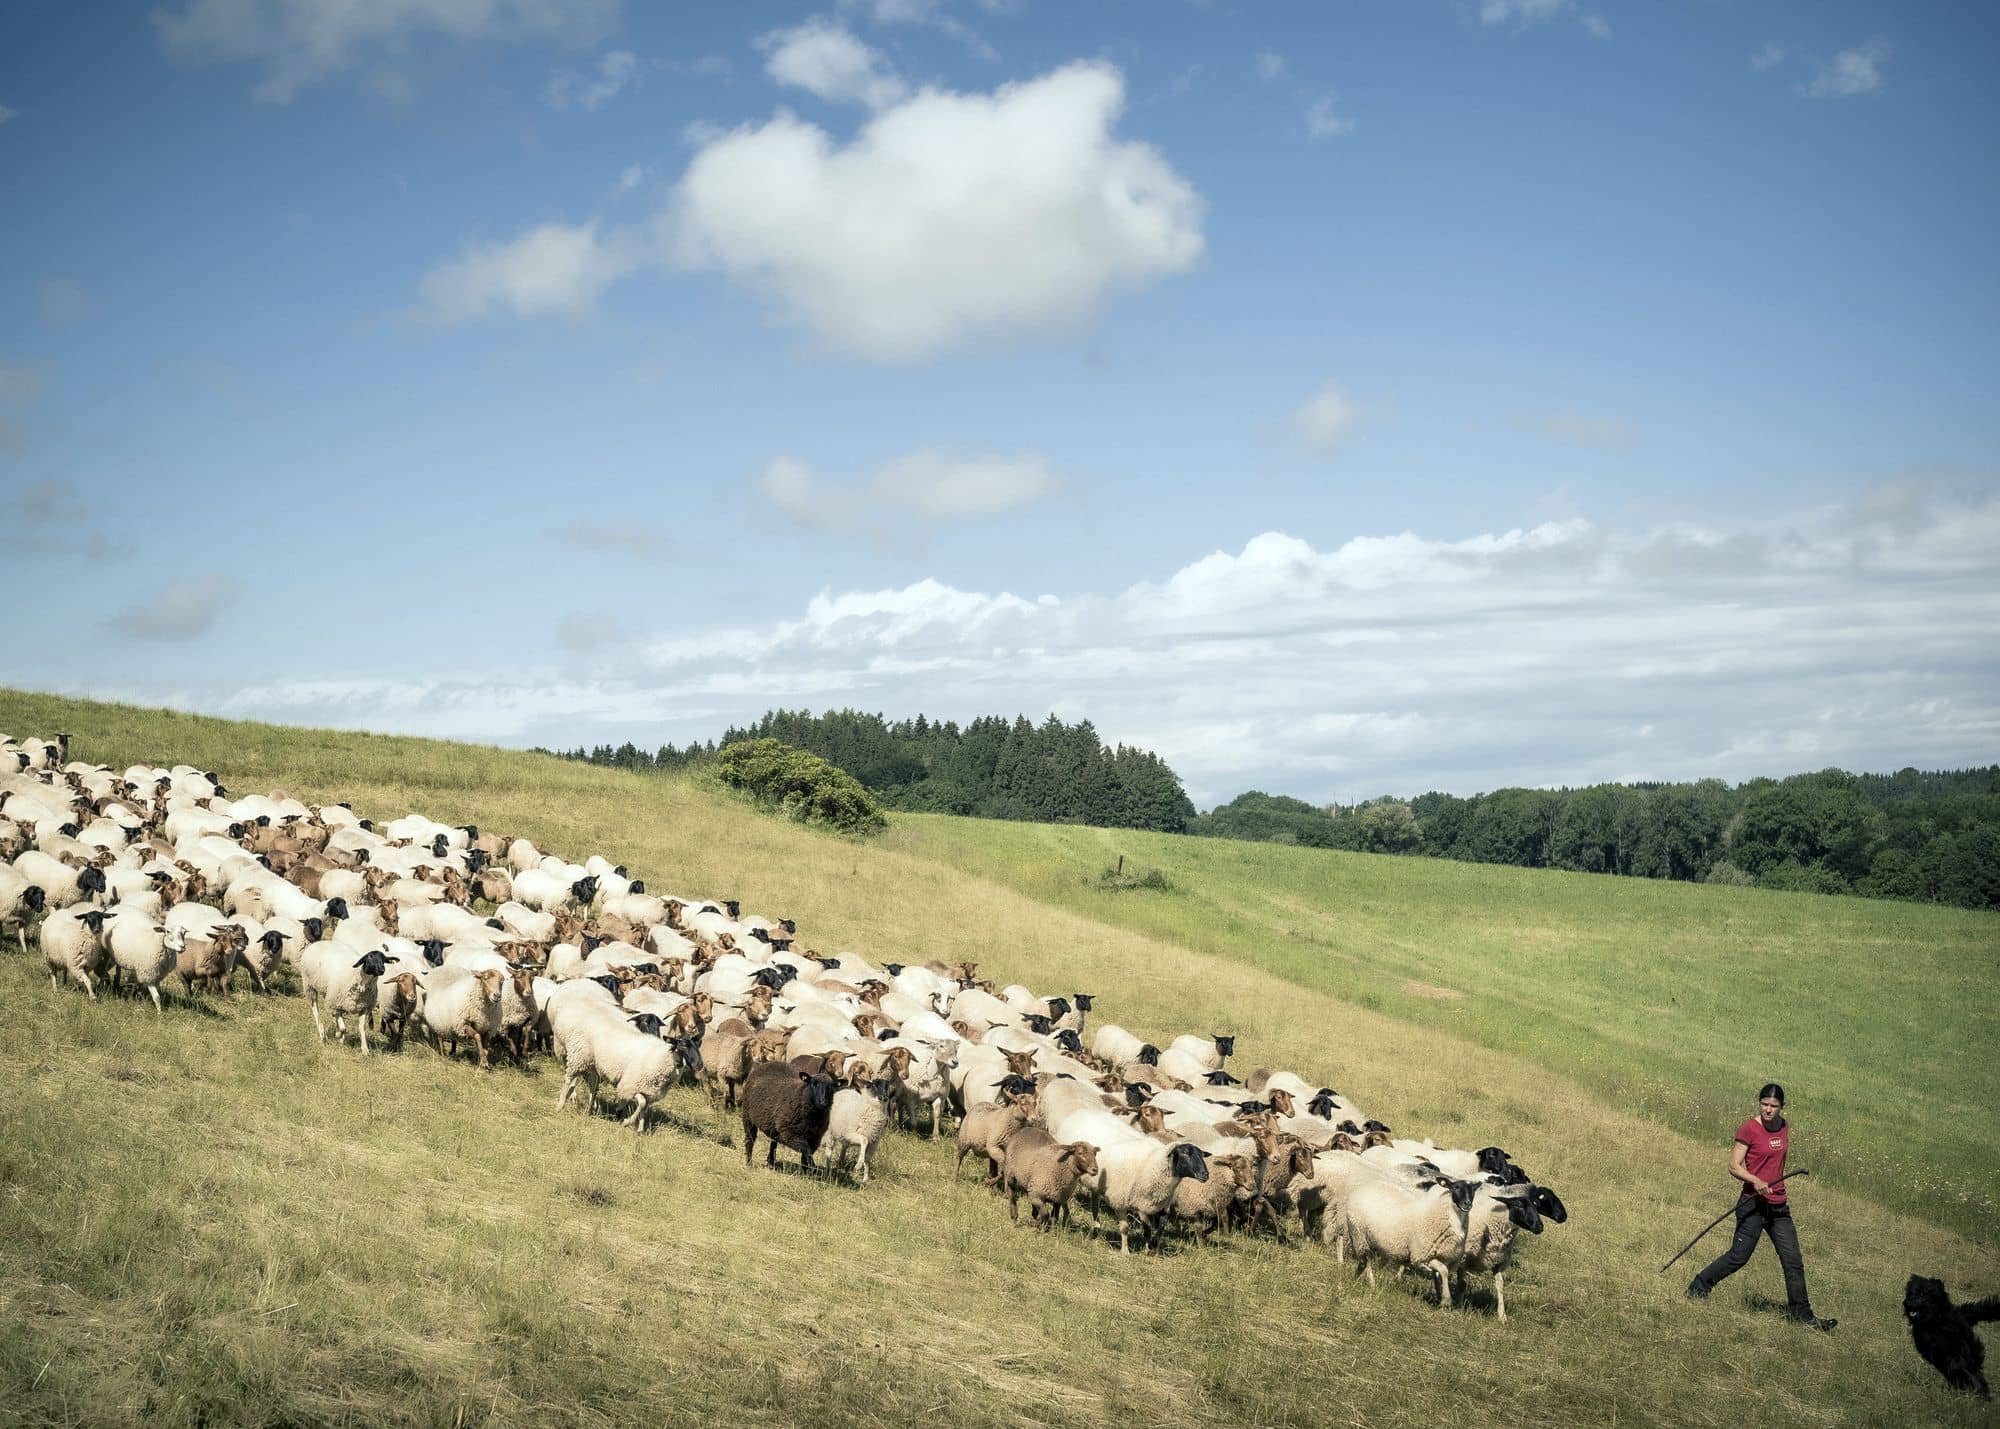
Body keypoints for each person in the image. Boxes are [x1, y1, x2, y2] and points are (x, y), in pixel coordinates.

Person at [1686, 1083, 1836, 1330]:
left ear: (1782, 1107)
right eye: (1764, 1104)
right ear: (1759, 1103)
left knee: (1793, 1261)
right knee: (1738, 1257)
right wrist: (1755, 1181)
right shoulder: (1749, 1129)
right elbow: (1734, 1165)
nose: (1768, 1110)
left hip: (1778, 1207)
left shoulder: (1784, 1127)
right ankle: (1699, 1286)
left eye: (1774, 1106)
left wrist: (1771, 1185)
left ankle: (1802, 1316)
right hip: (1752, 1205)